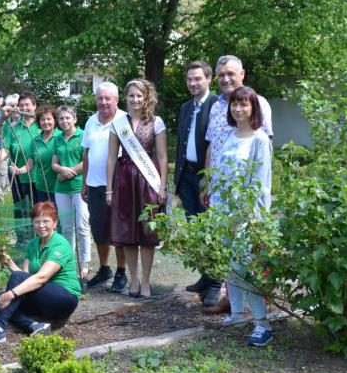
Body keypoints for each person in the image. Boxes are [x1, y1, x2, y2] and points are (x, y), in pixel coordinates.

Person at [199, 55, 275, 310]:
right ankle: (233, 301)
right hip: (222, 192)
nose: (225, 78)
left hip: (246, 196)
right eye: (221, 75)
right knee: (228, 249)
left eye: (230, 73)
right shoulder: (216, 107)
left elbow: (265, 149)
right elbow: (212, 146)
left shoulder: (258, 102)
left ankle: (261, 301)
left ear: (242, 73)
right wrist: (208, 182)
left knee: (250, 250)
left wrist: (252, 199)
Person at [0, 202, 80, 346]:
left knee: (10, 293)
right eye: (37, 222)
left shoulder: (60, 244)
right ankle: (34, 325)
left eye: (45, 221)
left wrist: (11, 294)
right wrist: (7, 260)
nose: (41, 225)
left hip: (63, 299)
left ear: (55, 223)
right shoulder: (33, 244)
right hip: (41, 300)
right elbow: (24, 277)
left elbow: (42, 277)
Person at [105, 79, 167, 298]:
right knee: (127, 233)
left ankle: (146, 281)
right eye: (131, 95)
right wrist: (109, 190)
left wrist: (162, 186)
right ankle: (133, 280)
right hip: (124, 181)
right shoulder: (118, 123)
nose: (135, 99)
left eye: (139, 95)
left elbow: (162, 156)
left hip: (148, 181)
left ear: (146, 97)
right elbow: (111, 158)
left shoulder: (156, 122)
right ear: (126, 98)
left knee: (147, 232)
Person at [172, 62, 224, 302]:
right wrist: (177, 181)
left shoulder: (217, 105)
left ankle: (215, 283)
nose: (193, 83)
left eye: (197, 79)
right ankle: (205, 275)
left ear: (209, 79)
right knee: (196, 230)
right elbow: (180, 144)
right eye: (189, 79)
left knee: (211, 229)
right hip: (187, 176)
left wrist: (210, 180)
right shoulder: (185, 107)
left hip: (206, 177)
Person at [81, 82, 127, 292]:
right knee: (98, 229)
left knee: (118, 230)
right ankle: (105, 269)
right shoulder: (91, 121)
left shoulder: (125, 120)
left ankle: (121, 272)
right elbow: (86, 153)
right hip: (94, 184)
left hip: (118, 185)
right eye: (100, 98)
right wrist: (84, 183)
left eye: (108, 98)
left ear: (116, 100)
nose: (103, 102)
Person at [51, 105, 91, 279]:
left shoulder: (82, 135)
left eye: (67, 117)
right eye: (61, 118)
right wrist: (61, 170)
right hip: (61, 189)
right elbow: (54, 164)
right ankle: (69, 262)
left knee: (82, 226)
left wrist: (69, 173)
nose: (64, 121)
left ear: (74, 119)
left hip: (79, 188)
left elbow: (86, 160)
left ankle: (85, 263)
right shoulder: (57, 139)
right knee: (67, 227)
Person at [2, 91, 41, 248]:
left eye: (27, 105)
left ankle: (38, 239)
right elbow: (6, 149)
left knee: (37, 208)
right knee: (20, 208)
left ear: (34, 106)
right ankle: (22, 240)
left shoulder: (41, 125)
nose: (24, 108)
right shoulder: (14, 128)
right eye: (21, 105)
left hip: (38, 176)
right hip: (18, 176)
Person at [26, 104, 60, 203]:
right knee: (44, 212)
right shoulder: (35, 141)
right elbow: (29, 165)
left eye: (49, 119)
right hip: (41, 187)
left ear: (55, 120)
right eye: (42, 119)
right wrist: (19, 170)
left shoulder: (61, 137)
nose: (46, 122)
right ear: (39, 122)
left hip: (59, 186)